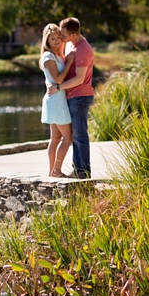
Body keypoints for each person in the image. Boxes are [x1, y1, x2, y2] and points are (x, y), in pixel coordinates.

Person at [48, 17, 95, 178]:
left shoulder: (83, 49)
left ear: (73, 35)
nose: (62, 38)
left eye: (64, 35)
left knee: (80, 135)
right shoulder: (71, 44)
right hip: (72, 96)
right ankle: (78, 170)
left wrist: (58, 87)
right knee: (75, 135)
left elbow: (79, 79)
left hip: (80, 96)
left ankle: (83, 173)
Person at [39, 24, 74, 177]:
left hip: (56, 98)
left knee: (55, 138)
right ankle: (57, 170)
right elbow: (58, 78)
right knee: (68, 137)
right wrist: (70, 62)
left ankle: (52, 171)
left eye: (59, 38)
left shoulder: (57, 55)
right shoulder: (48, 56)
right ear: (46, 40)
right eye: (52, 38)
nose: (57, 41)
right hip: (56, 101)